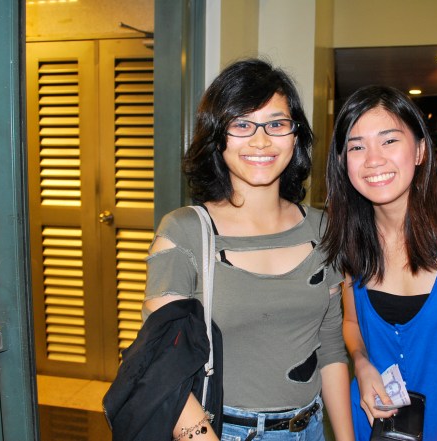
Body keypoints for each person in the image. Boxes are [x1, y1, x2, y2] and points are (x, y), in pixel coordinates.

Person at [143, 59, 353, 441]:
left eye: (276, 124)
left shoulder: (322, 229)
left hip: (312, 427)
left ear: (295, 136)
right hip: (224, 431)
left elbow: (331, 350)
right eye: (241, 124)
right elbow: (163, 365)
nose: (261, 141)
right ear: (216, 137)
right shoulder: (184, 232)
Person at [322, 85, 437, 441]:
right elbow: (352, 323)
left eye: (389, 141)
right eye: (357, 147)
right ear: (343, 161)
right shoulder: (351, 237)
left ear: (420, 150)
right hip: (372, 423)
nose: (373, 159)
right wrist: (361, 362)